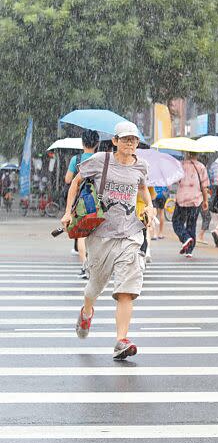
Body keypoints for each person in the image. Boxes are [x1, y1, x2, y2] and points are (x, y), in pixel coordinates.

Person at [60, 121, 154, 360]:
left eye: (133, 140)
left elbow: (143, 190)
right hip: (101, 234)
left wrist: (150, 209)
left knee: (126, 289)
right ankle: (86, 311)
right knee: (95, 286)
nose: (130, 143)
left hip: (130, 233)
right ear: (114, 141)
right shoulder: (100, 160)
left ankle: (121, 340)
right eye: (125, 139)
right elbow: (75, 182)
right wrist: (68, 211)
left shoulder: (141, 166)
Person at [64, 129, 99, 279]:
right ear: (97, 143)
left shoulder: (76, 159)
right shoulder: (100, 159)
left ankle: (85, 266)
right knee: (97, 233)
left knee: (82, 236)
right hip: (97, 201)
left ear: (82, 142)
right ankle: (96, 265)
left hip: (80, 202)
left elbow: (68, 180)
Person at [172, 152, 209, 258]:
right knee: (191, 223)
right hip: (195, 199)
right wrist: (205, 200)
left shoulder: (180, 165)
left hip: (181, 199)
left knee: (176, 222)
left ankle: (185, 238)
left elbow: (175, 180)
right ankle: (189, 250)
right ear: (197, 155)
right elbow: (204, 186)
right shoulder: (201, 167)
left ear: (187, 154)